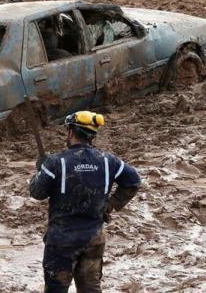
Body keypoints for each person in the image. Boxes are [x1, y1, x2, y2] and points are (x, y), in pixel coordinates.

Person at [29, 111, 142, 292]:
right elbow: (134, 181)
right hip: (93, 240)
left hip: (61, 243)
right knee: (91, 289)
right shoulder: (108, 161)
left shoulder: (56, 162)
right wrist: (112, 203)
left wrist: (40, 171)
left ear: (71, 132)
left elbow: (37, 192)